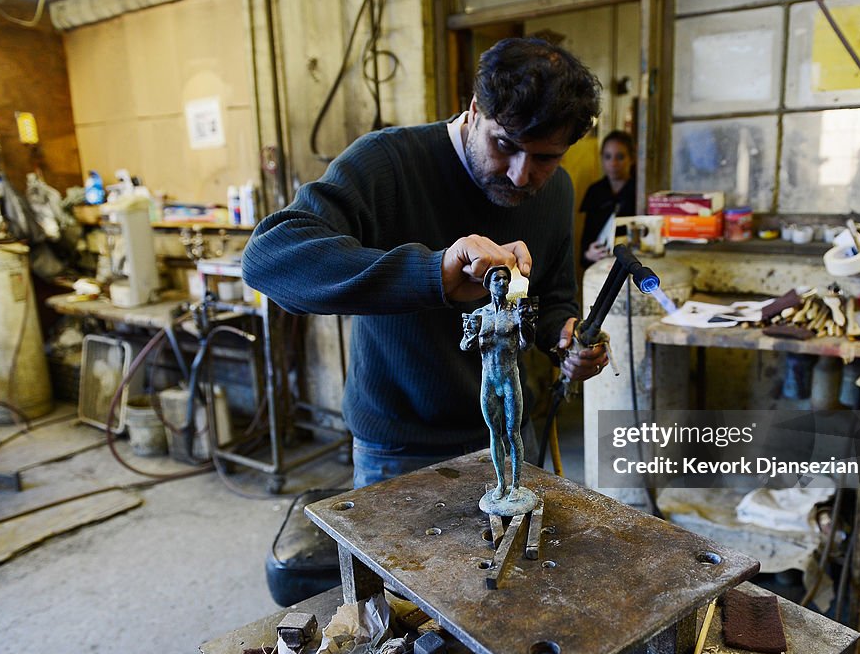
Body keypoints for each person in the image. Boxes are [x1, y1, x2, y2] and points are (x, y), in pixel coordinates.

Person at [241, 37, 609, 488]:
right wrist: (432, 274)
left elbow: (550, 299)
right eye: (505, 144)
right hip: (399, 449)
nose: (521, 175)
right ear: (475, 110)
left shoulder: (555, 191)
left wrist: (565, 339)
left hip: (511, 435)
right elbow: (268, 258)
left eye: (546, 158)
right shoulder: (387, 163)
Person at [460, 265, 538, 514]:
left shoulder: (515, 313)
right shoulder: (479, 315)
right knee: (494, 433)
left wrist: (527, 323)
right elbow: (465, 345)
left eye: (506, 279)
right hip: (489, 380)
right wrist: (471, 335)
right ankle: (501, 484)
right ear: (488, 284)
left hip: (509, 378)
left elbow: (527, 344)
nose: (503, 283)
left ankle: (516, 484)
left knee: (513, 433)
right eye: (497, 279)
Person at [579, 130, 636, 268]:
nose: (613, 163)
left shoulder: (638, 192)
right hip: (599, 266)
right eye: (608, 157)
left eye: (620, 157)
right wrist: (588, 254)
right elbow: (586, 243)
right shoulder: (595, 191)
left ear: (632, 158)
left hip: (631, 266)